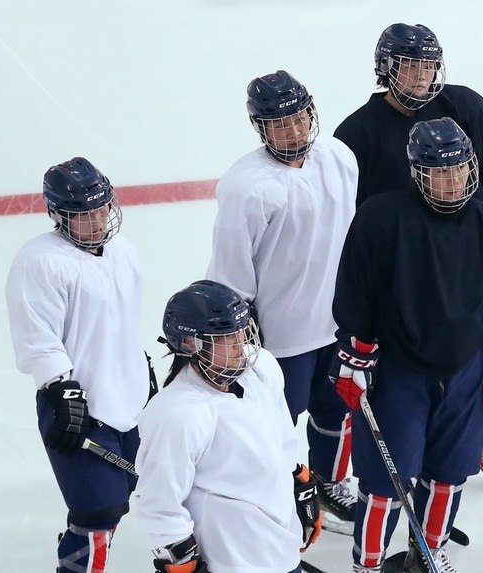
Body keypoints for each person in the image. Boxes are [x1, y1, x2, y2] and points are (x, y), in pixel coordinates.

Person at [334, 21, 483, 490]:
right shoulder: (357, 134)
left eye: (428, 65)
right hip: (406, 277)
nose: (421, 76)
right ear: (386, 70)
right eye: (409, 66)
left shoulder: (466, 105)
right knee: (415, 379)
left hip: (471, 254)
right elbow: (349, 218)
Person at [331, 118, 483, 573]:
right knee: (385, 479)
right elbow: (355, 289)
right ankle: (368, 564)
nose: (452, 180)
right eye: (439, 171)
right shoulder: (381, 217)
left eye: (458, 169)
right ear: (417, 173)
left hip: (463, 370)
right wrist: (354, 348)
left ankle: (428, 553)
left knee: (451, 472)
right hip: (398, 370)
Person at [205, 70, 359, 531]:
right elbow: (231, 273)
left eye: (298, 118)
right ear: (261, 128)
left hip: (338, 324)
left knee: (337, 411)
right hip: (280, 337)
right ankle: (272, 494)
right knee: (273, 426)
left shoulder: (340, 158)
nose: (293, 130)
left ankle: (330, 484)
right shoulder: (246, 187)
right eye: (279, 123)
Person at [5, 157, 150, 573]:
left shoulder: (124, 252)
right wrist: (60, 388)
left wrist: (140, 371)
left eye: (101, 206)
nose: (96, 218)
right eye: (82, 213)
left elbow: (120, 325)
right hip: (77, 410)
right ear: (57, 215)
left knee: (114, 505)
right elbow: (37, 337)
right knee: (97, 516)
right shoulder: (40, 261)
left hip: (128, 403)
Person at [132, 280, 321, 573]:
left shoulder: (263, 369)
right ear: (191, 344)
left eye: (241, 330)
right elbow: (158, 502)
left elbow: (282, 439)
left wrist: (300, 481)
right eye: (225, 336)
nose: (240, 342)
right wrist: (180, 561)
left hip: (281, 548)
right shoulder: (178, 413)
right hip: (231, 560)